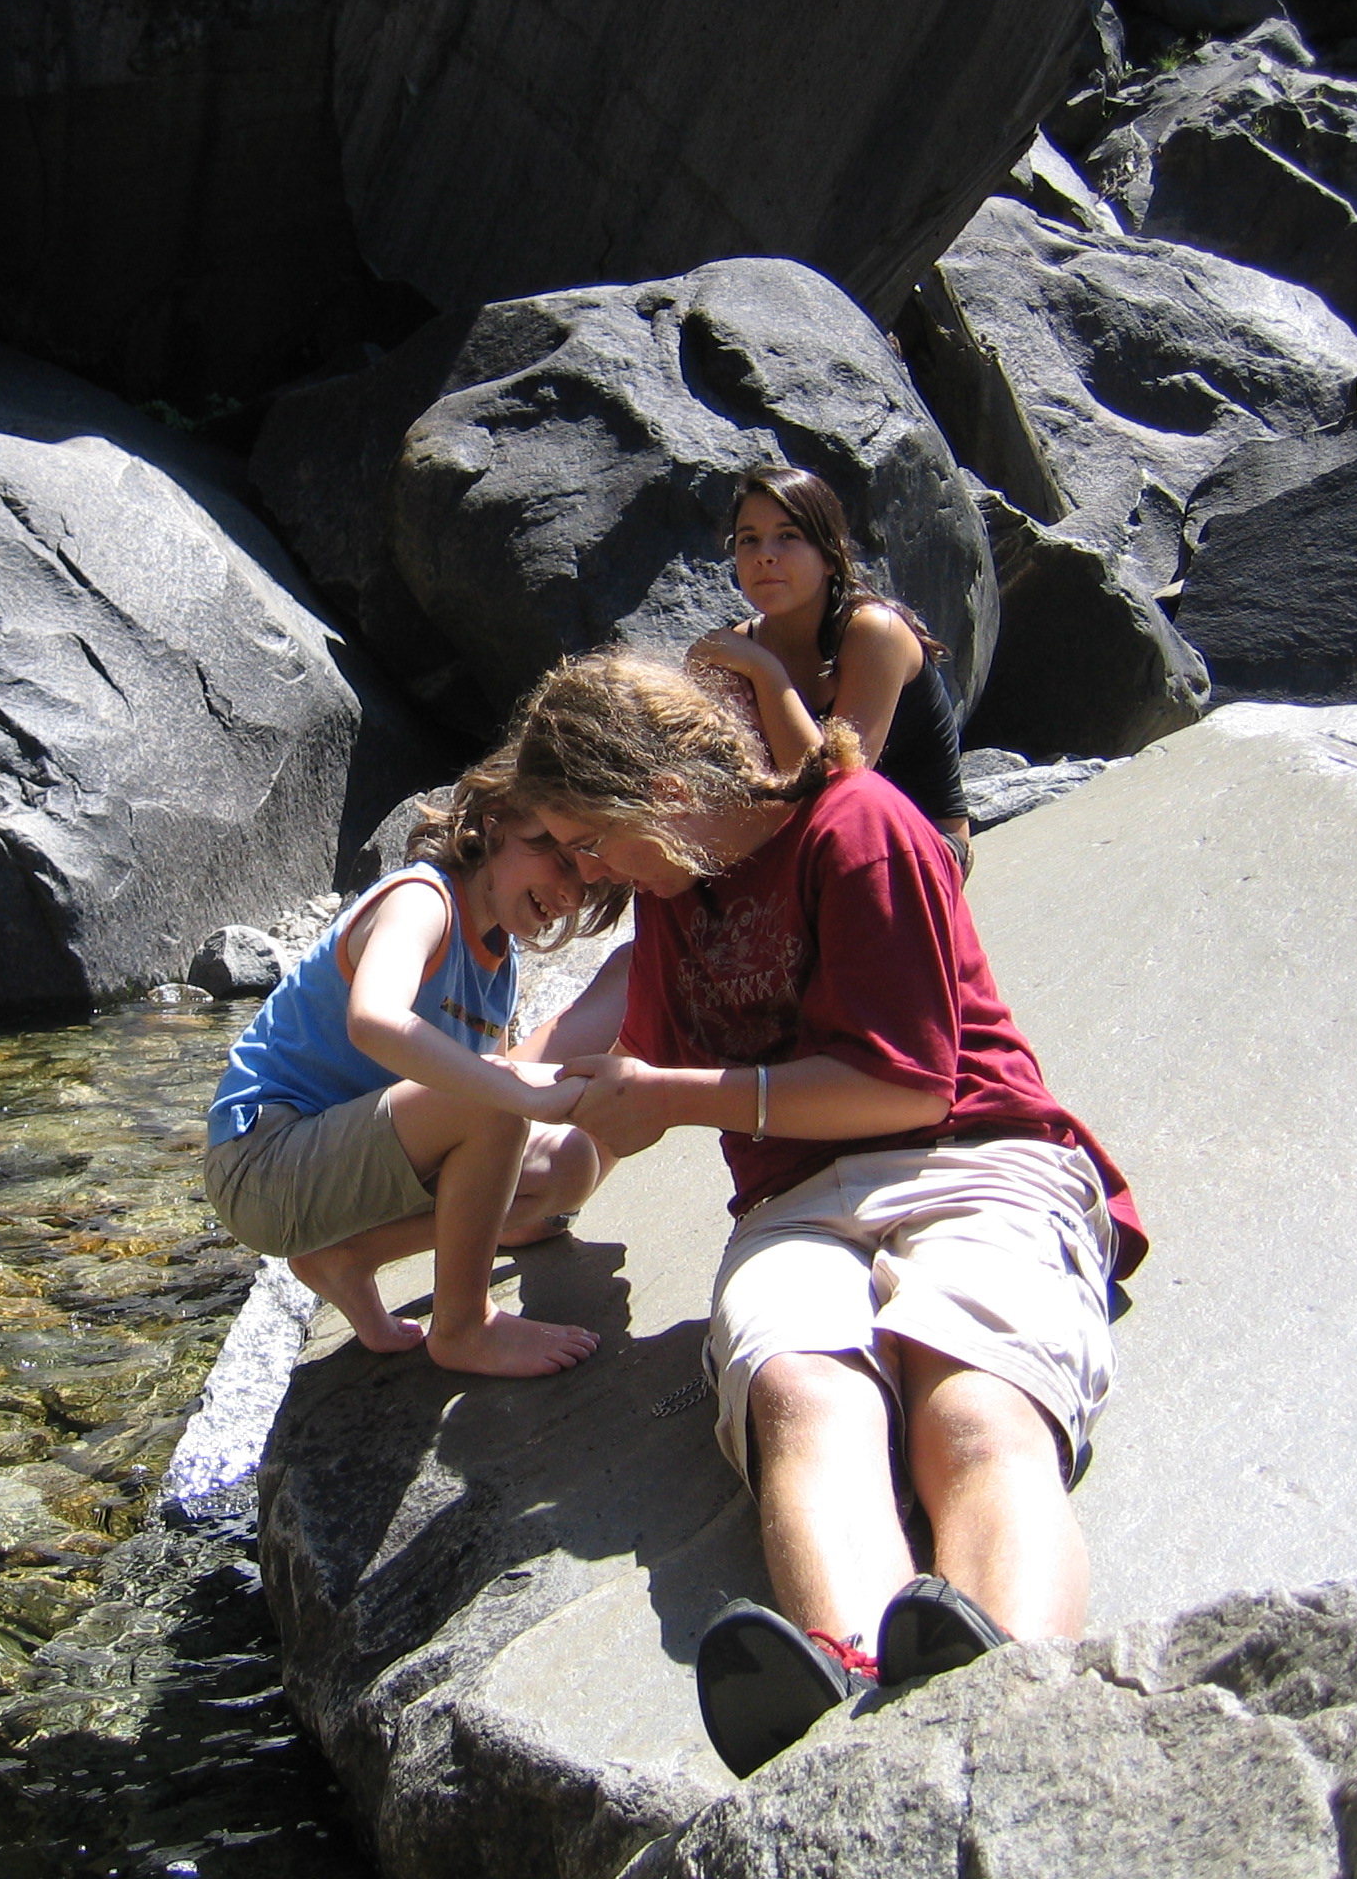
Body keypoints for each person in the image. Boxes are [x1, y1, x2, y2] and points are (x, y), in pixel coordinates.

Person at [508, 650, 1144, 1776]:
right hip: (793, 1203)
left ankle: (1010, 1699)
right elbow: (641, 1086)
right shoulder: (675, 900)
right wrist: (540, 1180)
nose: (586, 870)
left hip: (972, 1156)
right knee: (801, 1392)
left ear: (664, 791)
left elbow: (907, 1086)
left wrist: (681, 1096)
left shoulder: (858, 827)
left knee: (973, 1402)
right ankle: (854, 1683)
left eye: (589, 838)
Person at [204, 752, 633, 1378]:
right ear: (494, 821)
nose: (570, 895)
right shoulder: (422, 899)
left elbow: (476, 1122)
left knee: (565, 1166)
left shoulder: (500, 964)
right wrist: (523, 1095)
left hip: (343, 1167)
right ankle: (464, 1328)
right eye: (562, 861)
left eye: (588, 887)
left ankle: (346, 1259)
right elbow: (373, 1019)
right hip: (263, 1164)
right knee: (496, 1098)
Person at [686, 464, 973, 870]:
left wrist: (767, 673)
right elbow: (728, 785)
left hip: (917, 845)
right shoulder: (733, 649)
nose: (765, 555)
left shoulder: (874, 632)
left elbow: (838, 790)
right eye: (749, 540)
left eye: (788, 536)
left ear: (829, 557)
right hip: (803, 842)